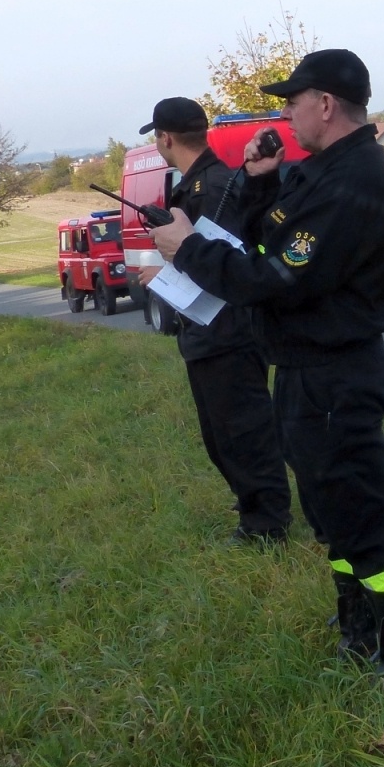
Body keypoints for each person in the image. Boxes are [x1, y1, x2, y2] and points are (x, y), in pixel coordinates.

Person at [149, 52, 384, 677]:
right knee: (329, 504)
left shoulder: (353, 180)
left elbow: (277, 277)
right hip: (307, 369)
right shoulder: (323, 170)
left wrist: (189, 248)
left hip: (338, 370)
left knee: (364, 506)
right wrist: (258, 181)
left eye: (293, 100)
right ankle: (362, 629)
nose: (285, 112)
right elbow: (277, 235)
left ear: (326, 104)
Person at [141, 97, 295, 546]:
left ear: (165, 138)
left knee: (243, 432)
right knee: (222, 436)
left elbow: (221, 259)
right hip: (209, 330)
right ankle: (255, 509)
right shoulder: (202, 183)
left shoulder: (213, 187)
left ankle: (267, 523)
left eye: (156, 136)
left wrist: (165, 274)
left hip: (227, 330)